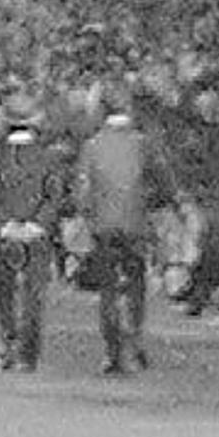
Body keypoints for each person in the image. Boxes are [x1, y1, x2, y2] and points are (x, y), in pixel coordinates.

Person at [74, 92, 160, 376]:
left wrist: (87, 216)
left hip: (104, 227)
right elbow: (161, 183)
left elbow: (82, 191)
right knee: (136, 284)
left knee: (108, 290)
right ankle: (134, 338)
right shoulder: (142, 145)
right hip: (135, 225)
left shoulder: (93, 146)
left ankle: (112, 352)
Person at [0, 109, 64, 372]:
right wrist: (38, 223)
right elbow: (55, 195)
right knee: (33, 294)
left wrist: (4, 224)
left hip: (6, 235)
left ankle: (11, 342)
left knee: (5, 292)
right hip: (36, 235)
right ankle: (29, 352)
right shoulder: (47, 160)